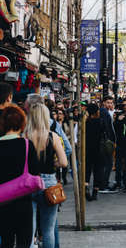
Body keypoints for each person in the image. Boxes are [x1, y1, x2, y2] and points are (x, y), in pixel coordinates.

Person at [25, 103, 68, 248]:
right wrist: (53, 164)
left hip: (29, 183)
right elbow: (63, 162)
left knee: (29, 230)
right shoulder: (53, 136)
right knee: (48, 229)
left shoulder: (25, 136)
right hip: (49, 184)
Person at [0, 106, 40, 248]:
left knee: (5, 242)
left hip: (2, 203)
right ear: (22, 123)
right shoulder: (27, 145)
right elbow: (35, 172)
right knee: (24, 242)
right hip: (23, 202)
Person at [85, 104, 105, 201]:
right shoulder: (101, 122)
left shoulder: (85, 122)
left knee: (87, 169)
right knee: (98, 170)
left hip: (87, 149)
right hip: (99, 149)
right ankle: (95, 192)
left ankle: (86, 187)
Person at [99, 96, 117, 193]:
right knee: (108, 163)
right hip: (106, 142)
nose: (110, 104)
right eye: (108, 102)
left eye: (111, 102)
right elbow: (107, 128)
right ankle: (103, 184)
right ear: (104, 103)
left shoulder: (104, 112)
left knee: (106, 164)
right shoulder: (104, 112)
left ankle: (103, 183)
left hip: (105, 141)